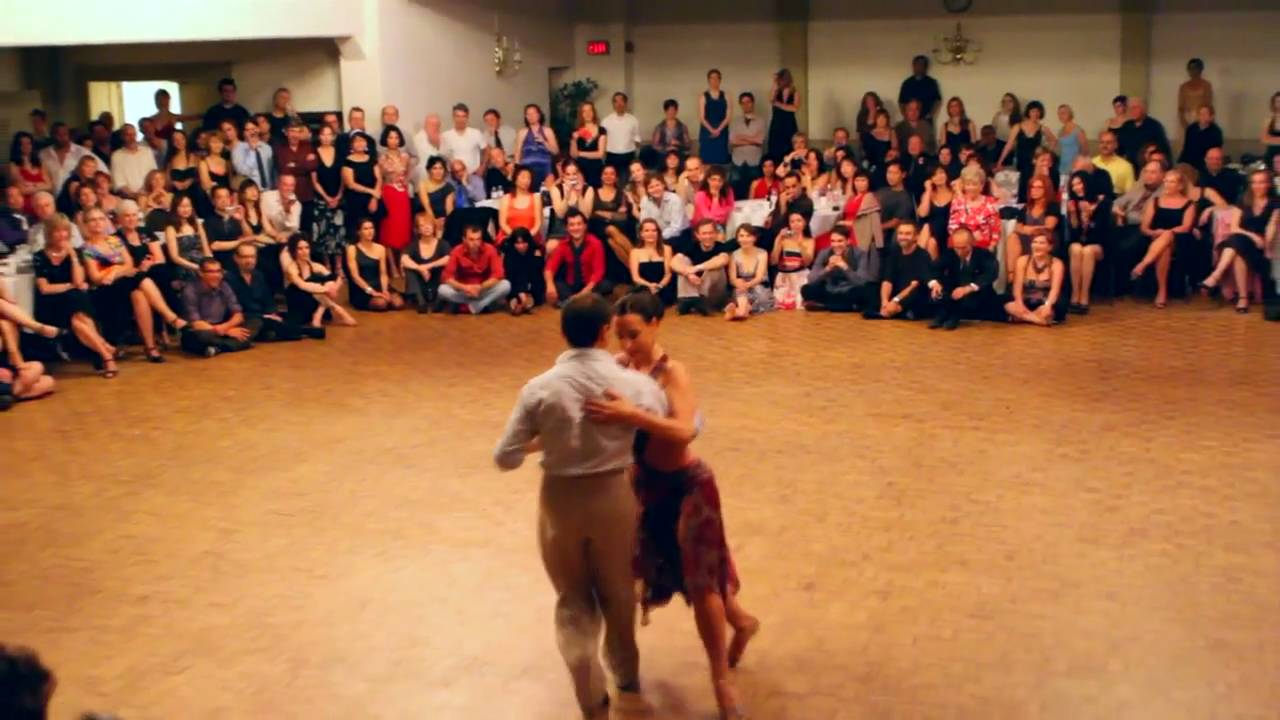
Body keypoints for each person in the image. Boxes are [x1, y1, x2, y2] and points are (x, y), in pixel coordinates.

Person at [584, 289, 762, 720]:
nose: (627, 344)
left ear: (656, 324)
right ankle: (742, 622)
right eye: (620, 336)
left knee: (702, 583)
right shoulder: (620, 368)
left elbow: (684, 431)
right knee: (678, 571)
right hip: (646, 488)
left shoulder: (672, 372)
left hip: (688, 487)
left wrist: (632, 415)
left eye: (634, 334)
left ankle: (721, 683)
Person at [493, 293, 668, 719]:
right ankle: (627, 678)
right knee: (619, 592)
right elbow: (661, 420)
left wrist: (547, 440)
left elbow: (505, 457)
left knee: (572, 598)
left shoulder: (539, 388)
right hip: (613, 495)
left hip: (560, 500)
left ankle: (589, 697)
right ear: (605, 332)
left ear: (563, 332)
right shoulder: (634, 385)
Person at [81, 208, 186, 361]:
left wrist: (113, 272)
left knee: (139, 294)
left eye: (101, 219)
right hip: (104, 290)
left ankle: (150, 347)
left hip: (123, 282)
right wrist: (118, 270)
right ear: (86, 224)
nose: (98, 223)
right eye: (93, 220)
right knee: (141, 278)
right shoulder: (87, 248)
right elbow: (96, 277)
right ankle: (171, 318)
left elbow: (129, 264)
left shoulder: (113, 240)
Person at [33, 214, 119, 377]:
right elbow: (45, 288)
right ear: (49, 233)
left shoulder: (78, 252)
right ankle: (105, 350)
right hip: (52, 304)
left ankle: (106, 356)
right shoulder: (40, 256)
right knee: (78, 307)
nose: (62, 235)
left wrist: (73, 256)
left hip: (73, 301)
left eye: (65, 231)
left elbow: (79, 282)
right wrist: (69, 286)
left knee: (78, 317)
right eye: (57, 231)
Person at [1200, 169, 1278, 313]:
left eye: (1261, 182)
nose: (1257, 186)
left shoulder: (1275, 203)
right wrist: (1252, 236)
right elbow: (1234, 227)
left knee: (1236, 244)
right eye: (1254, 183)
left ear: (1268, 184)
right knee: (1238, 245)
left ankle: (1217, 278)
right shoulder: (1243, 200)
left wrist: (1266, 246)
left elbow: (1271, 228)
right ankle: (1241, 297)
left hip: (1261, 247)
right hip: (1241, 241)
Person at [1132, 167, 1195, 308]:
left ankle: (1143, 264)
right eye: (1166, 181)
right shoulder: (1154, 201)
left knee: (1167, 235)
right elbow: (1144, 227)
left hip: (1180, 239)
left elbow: (1186, 226)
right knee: (1164, 249)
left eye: (1172, 182)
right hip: (1155, 239)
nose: (1167, 184)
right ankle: (1162, 291)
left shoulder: (1189, 204)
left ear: (1180, 186)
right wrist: (1153, 233)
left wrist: (1168, 232)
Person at [226, 243, 311, 341]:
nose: (249, 260)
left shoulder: (259, 275)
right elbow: (234, 308)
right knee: (275, 328)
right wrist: (264, 316)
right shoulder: (229, 278)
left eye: (252, 257)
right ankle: (306, 332)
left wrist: (272, 313)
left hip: (263, 317)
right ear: (236, 258)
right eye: (245, 257)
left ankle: (279, 333)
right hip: (246, 318)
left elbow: (267, 299)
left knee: (285, 320)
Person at [927, 227, 998, 330]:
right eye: (957, 248)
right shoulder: (949, 253)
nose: (960, 252)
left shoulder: (984, 255)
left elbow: (991, 274)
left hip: (977, 295)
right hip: (954, 292)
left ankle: (953, 317)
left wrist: (968, 288)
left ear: (972, 243)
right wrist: (935, 284)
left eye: (964, 248)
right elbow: (933, 269)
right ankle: (942, 315)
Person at [1112, 159, 1165, 295]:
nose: (1148, 175)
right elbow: (1116, 202)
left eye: (1153, 172)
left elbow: (1151, 218)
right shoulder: (1138, 188)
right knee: (1107, 241)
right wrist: (1117, 210)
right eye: (1146, 172)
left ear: (1162, 175)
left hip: (1147, 229)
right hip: (1126, 225)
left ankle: (1122, 286)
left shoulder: (1165, 192)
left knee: (1124, 247)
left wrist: (1125, 216)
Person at [178, 257, 250, 356]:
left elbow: (238, 315)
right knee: (201, 336)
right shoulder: (190, 291)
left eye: (219, 271)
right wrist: (225, 332)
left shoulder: (224, 286)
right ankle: (227, 345)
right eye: (211, 272)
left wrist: (225, 327)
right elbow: (196, 323)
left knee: (252, 324)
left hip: (221, 326)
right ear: (200, 273)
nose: (216, 275)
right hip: (200, 330)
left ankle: (215, 348)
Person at [283, 233, 355, 329]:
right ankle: (338, 309)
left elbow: (337, 278)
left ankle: (318, 313)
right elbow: (303, 285)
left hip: (317, 301)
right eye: (300, 249)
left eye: (307, 248)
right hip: (300, 303)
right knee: (319, 286)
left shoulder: (315, 266)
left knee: (329, 282)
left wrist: (332, 288)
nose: (304, 251)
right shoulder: (291, 268)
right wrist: (326, 290)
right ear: (294, 251)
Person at [863, 222, 933, 320]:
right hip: (896, 292)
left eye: (907, 234)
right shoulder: (894, 252)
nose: (903, 237)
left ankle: (894, 311)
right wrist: (885, 302)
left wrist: (895, 301)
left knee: (917, 292)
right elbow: (887, 280)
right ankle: (889, 310)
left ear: (916, 237)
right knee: (870, 287)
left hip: (910, 293)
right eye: (900, 233)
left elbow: (913, 286)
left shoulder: (922, 255)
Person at [544, 209, 611, 307]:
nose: (576, 228)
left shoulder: (596, 243)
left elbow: (598, 272)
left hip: (590, 284)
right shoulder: (563, 244)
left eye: (579, 224)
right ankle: (577, 302)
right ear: (567, 228)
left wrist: (585, 291)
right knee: (557, 285)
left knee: (605, 286)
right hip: (571, 285)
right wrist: (550, 285)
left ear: (585, 226)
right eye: (572, 225)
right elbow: (550, 267)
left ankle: (572, 302)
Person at [1065, 171, 1111, 314]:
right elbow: (1074, 234)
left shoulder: (1103, 202)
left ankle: (1084, 295)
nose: (1076, 188)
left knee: (1088, 251)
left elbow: (1102, 232)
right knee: (1076, 248)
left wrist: (1089, 216)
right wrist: (1074, 214)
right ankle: (1075, 294)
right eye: (1073, 185)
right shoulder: (1073, 203)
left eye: (1079, 183)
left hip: (1098, 244)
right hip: (1079, 242)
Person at [439, 223, 511, 314]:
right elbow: (447, 277)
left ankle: (475, 305)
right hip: (464, 290)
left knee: (506, 285)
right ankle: (480, 304)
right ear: (464, 239)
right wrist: (465, 288)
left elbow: (498, 274)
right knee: (442, 290)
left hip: (484, 288)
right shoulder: (457, 251)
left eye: (478, 239)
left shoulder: (490, 249)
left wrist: (480, 287)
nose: (475, 243)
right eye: (471, 239)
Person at [801, 223, 872, 312]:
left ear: (848, 241)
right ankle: (843, 306)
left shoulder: (860, 254)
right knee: (806, 289)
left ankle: (825, 306)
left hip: (849, 290)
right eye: (833, 241)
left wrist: (845, 267)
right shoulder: (824, 253)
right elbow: (811, 280)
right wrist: (827, 268)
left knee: (866, 291)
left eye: (840, 241)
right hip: (830, 290)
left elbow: (861, 282)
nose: (836, 245)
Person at [1004, 233, 1067, 325]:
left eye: (1042, 243)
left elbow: (1055, 290)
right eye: (1034, 242)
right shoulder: (1022, 260)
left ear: (1050, 247)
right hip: (1024, 300)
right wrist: (1019, 303)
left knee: (1050, 311)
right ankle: (1037, 320)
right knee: (1008, 304)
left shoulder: (1057, 264)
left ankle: (1021, 318)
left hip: (1044, 301)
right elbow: (1017, 287)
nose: (1037, 246)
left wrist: (1047, 306)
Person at [671, 219, 729, 315]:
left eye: (711, 233)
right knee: (683, 262)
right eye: (704, 233)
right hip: (695, 289)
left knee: (714, 267)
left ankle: (701, 301)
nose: (708, 236)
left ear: (716, 234)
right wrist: (688, 273)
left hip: (714, 293)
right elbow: (674, 262)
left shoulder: (721, 247)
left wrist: (697, 268)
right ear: (697, 235)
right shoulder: (691, 246)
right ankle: (686, 300)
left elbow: (723, 260)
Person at [345, 218, 404, 312]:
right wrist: (372, 292)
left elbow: (383, 274)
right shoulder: (352, 249)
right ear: (359, 232)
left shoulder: (380, 248)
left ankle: (385, 296)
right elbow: (355, 277)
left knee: (398, 303)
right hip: (363, 288)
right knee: (381, 304)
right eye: (366, 229)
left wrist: (384, 290)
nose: (370, 231)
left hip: (378, 284)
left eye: (371, 228)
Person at [309, 124, 346, 270]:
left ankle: (339, 266)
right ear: (319, 136)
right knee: (323, 233)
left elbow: (343, 177)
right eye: (323, 134)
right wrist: (326, 197)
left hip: (339, 199)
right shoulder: (313, 153)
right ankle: (327, 265)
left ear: (333, 136)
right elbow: (314, 181)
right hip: (321, 200)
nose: (326, 137)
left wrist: (338, 195)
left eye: (329, 134)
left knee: (339, 233)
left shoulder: (339, 153)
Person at [1009, 175, 1062, 271]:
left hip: (1046, 240)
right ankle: (1012, 275)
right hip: (1028, 240)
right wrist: (1026, 230)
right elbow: (1017, 227)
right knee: (1012, 237)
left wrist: (1029, 229)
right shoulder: (1026, 207)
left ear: (1046, 189)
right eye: (1032, 187)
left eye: (1039, 187)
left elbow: (1049, 226)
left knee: (1040, 240)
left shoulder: (1052, 206)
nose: (1034, 190)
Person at [722, 224, 774, 320]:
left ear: (754, 238)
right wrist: (738, 283)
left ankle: (739, 311)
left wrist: (746, 285)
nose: (744, 239)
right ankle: (742, 312)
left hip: (758, 286)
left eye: (748, 236)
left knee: (753, 293)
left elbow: (759, 277)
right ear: (737, 239)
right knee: (740, 290)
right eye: (741, 236)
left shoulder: (762, 253)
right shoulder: (734, 255)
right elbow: (732, 278)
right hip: (741, 288)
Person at [377, 125, 413, 260]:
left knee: (403, 227)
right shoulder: (381, 158)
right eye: (390, 137)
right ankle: (391, 265)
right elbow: (379, 178)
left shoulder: (405, 157)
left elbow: (409, 174)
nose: (394, 140)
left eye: (396, 137)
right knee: (389, 228)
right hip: (388, 194)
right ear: (385, 139)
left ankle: (402, 261)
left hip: (402, 195)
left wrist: (404, 183)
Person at [275, 120, 318, 231]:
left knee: (307, 227)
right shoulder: (280, 149)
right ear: (286, 133)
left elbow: (313, 166)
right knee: (290, 226)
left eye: (298, 131)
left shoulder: (308, 146)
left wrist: (294, 165)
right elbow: (283, 169)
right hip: (288, 194)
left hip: (306, 193)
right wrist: (304, 163)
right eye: (292, 131)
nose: (294, 134)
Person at [164, 193, 212, 292]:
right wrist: (196, 267)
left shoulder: (197, 225)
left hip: (202, 263)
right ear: (175, 208)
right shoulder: (171, 228)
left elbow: (206, 250)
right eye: (182, 206)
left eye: (188, 206)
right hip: (184, 266)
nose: (186, 209)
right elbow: (175, 257)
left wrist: (211, 264)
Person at [39, 122, 106, 192]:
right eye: (58, 134)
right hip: (49, 196)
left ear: (69, 135)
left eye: (64, 134)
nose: (62, 137)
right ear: (52, 135)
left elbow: (103, 171)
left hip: (75, 195)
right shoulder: (43, 154)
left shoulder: (81, 152)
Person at [948, 165, 1001, 251]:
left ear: (982, 185)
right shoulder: (957, 202)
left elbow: (996, 230)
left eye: (974, 184)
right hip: (960, 245)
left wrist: (991, 247)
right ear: (963, 186)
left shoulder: (991, 203)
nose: (971, 188)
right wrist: (969, 237)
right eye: (968, 184)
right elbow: (952, 227)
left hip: (983, 246)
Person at [996, 100, 1055, 178]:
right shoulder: (1018, 127)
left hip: (1035, 163)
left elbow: (1053, 141)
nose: (1035, 114)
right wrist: (1000, 161)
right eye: (1033, 111)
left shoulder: (1042, 128)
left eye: (1038, 111)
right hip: (1021, 161)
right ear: (1028, 112)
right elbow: (1008, 145)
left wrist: (1045, 154)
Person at [342, 133, 382, 235]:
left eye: (362, 140)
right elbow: (350, 184)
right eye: (356, 141)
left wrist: (374, 198)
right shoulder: (347, 161)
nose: (360, 143)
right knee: (357, 231)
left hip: (373, 200)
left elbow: (379, 179)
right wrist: (371, 191)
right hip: (356, 201)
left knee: (375, 230)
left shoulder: (372, 159)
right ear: (351, 145)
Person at [629, 218, 674, 305]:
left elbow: (668, 274)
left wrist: (659, 286)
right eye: (647, 231)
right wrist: (649, 285)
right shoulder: (635, 252)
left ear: (658, 233)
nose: (651, 233)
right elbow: (635, 277)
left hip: (662, 288)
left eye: (654, 230)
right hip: (643, 288)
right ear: (641, 234)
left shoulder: (667, 249)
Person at [498, 165, 544, 246]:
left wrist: (526, 238)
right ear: (515, 179)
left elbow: (538, 224)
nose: (526, 181)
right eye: (523, 177)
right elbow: (503, 224)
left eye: (529, 178)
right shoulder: (506, 198)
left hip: (531, 237)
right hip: (509, 236)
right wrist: (516, 238)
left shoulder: (536, 198)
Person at [1118, 97, 1171, 169]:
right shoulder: (1126, 126)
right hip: (1128, 166)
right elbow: (1119, 148)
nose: (1132, 111)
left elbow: (1164, 150)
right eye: (1129, 108)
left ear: (1144, 109)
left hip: (1147, 167)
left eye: (1135, 108)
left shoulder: (1154, 126)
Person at [515, 104, 559, 188]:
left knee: (546, 192)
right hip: (527, 170)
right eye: (528, 114)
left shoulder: (547, 131)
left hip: (545, 168)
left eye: (533, 113)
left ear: (539, 115)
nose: (531, 116)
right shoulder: (522, 132)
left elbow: (556, 151)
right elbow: (517, 152)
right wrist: (517, 170)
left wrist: (544, 142)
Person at [9, 132, 52, 216]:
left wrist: (32, 185)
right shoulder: (13, 166)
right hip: (26, 205)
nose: (26, 146)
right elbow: (22, 190)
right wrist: (41, 185)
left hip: (43, 202)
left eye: (28, 143)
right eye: (22, 144)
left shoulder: (40, 164)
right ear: (17, 147)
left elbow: (50, 186)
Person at [638, 173, 689, 243]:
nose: (655, 189)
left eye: (657, 185)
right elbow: (644, 223)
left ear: (663, 185)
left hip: (679, 236)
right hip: (655, 236)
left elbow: (676, 227)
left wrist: (657, 236)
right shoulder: (645, 201)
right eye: (651, 187)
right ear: (647, 190)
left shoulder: (674, 199)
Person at [916, 163, 953, 259]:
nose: (939, 176)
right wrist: (928, 190)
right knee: (931, 242)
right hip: (931, 232)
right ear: (930, 179)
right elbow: (923, 214)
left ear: (946, 174)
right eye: (934, 175)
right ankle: (932, 268)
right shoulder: (928, 194)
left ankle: (915, 262)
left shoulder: (954, 193)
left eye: (941, 173)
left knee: (927, 228)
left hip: (948, 230)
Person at [502, 228, 542, 315]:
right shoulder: (509, 254)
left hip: (532, 284)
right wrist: (520, 292)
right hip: (514, 285)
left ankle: (524, 303)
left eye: (524, 242)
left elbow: (537, 274)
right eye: (518, 243)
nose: (521, 246)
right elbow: (510, 276)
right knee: (510, 289)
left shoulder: (535, 252)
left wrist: (537, 259)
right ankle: (521, 302)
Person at [441, 103, 488, 176]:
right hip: (454, 175)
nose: (460, 120)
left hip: (474, 174)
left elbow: (486, 150)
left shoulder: (476, 133)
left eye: (463, 116)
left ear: (467, 117)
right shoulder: (445, 135)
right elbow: (443, 156)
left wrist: (483, 166)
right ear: (453, 117)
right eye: (458, 116)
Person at [601, 92, 642, 177]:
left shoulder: (633, 120)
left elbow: (637, 138)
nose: (619, 104)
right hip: (611, 156)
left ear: (626, 103)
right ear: (613, 104)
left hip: (629, 155)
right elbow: (602, 140)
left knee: (628, 179)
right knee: (612, 179)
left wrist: (637, 155)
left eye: (621, 101)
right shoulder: (606, 121)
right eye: (616, 101)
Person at [876, 163, 915, 247]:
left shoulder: (904, 197)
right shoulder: (881, 190)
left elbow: (896, 222)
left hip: (886, 234)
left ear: (903, 175)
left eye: (895, 173)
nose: (891, 176)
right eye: (889, 172)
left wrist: (876, 228)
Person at [570, 102, 608, 189]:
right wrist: (574, 140)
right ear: (581, 114)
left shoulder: (601, 130)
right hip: (580, 168)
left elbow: (600, 154)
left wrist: (580, 153)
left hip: (596, 168)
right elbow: (573, 155)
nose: (587, 113)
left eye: (590, 110)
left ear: (594, 112)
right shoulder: (575, 131)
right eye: (584, 111)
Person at [698, 69, 731, 165]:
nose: (714, 80)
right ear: (708, 80)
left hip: (722, 131)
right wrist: (712, 130)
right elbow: (702, 118)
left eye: (717, 78)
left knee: (721, 159)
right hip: (707, 131)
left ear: (720, 80)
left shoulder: (726, 96)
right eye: (712, 78)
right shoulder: (703, 96)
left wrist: (718, 130)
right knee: (706, 160)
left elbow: (728, 117)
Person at [1178, 105, 1223, 172]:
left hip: (1206, 165)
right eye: (1200, 114)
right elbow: (1186, 147)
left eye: (1205, 114)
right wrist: (1181, 162)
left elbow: (1215, 152)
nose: (1202, 116)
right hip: (1189, 162)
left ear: (1211, 117)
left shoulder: (1216, 132)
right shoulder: (1191, 129)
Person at [417, 155, 455, 236]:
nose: (438, 171)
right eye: (434, 168)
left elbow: (449, 211)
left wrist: (444, 222)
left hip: (442, 222)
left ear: (445, 170)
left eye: (441, 168)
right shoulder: (423, 184)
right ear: (429, 171)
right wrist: (434, 222)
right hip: (425, 220)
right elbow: (427, 206)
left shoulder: (449, 187)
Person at [899, 54, 942, 123]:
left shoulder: (931, 83)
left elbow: (937, 100)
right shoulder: (907, 83)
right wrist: (905, 116)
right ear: (913, 66)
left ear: (925, 67)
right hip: (910, 120)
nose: (919, 67)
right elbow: (901, 102)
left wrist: (930, 114)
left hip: (926, 120)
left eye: (921, 65)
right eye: (917, 64)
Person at [1092, 130, 1135, 196]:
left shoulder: (1126, 166)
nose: (1104, 145)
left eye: (1108, 142)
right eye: (1102, 142)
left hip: (1116, 199)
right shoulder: (1091, 163)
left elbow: (1130, 194)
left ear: (1116, 145)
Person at [861, 109, 898, 185]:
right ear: (875, 119)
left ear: (887, 119)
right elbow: (865, 152)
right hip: (872, 163)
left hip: (886, 163)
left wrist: (891, 155)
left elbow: (895, 149)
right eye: (879, 118)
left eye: (884, 118)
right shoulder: (868, 134)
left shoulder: (892, 132)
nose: (881, 120)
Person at [1177, 58, 1214, 131]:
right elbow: (1181, 107)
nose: (1193, 71)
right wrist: (1184, 122)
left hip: (1202, 118)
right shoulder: (1183, 87)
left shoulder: (1206, 85)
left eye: (1195, 68)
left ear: (1201, 69)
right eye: (1190, 68)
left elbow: (1208, 105)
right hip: (1187, 119)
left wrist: (1206, 121)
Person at [693, 165, 734, 229]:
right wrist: (715, 198)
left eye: (720, 180)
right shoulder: (700, 195)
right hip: (702, 227)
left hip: (721, 225)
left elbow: (731, 208)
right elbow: (710, 220)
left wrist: (723, 213)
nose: (716, 183)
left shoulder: (727, 191)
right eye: (713, 179)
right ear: (708, 180)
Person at [1055, 104, 1088, 177]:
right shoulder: (1060, 131)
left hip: (1075, 169)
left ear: (1070, 114)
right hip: (1062, 168)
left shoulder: (1078, 130)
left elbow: (1085, 151)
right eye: (1059, 113)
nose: (1061, 116)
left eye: (1063, 113)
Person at [1262, 92, 1280, 168]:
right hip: (1272, 156)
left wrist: (1272, 139)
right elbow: (1264, 139)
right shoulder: (1269, 120)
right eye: (1278, 101)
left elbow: (1269, 139)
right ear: (1274, 104)